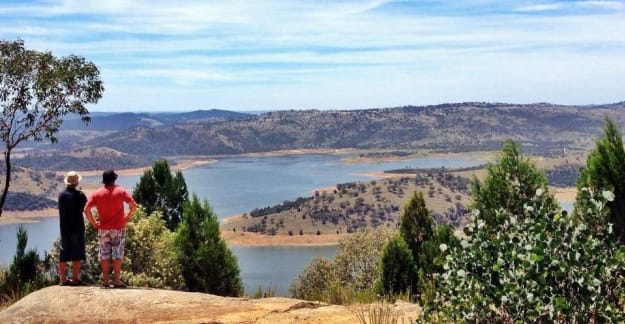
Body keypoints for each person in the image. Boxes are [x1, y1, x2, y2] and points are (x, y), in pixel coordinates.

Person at [84, 170, 137, 288]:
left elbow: (86, 209)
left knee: (104, 254)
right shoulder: (121, 191)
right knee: (118, 253)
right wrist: (127, 217)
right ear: (114, 179)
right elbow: (133, 206)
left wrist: (93, 223)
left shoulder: (97, 193)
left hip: (103, 228)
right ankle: (117, 281)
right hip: (119, 227)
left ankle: (106, 281)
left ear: (104, 180)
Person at [58, 171, 87, 286]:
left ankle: (63, 279)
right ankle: (75, 278)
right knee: (77, 254)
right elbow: (85, 208)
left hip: (64, 229)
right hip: (77, 229)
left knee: (63, 254)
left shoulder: (61, 195)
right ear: (76, 182)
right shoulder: (80, 195)